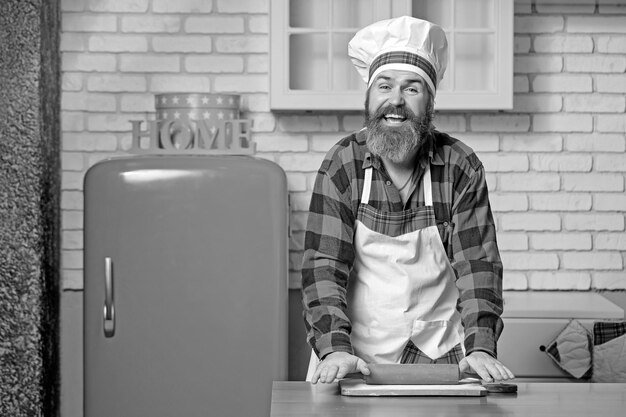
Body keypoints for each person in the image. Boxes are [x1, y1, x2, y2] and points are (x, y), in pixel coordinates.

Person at [301, 16, 514, 385]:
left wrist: (481, 345)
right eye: (384, 86)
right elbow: (324, 264)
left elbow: (477, 263)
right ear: (369, 98)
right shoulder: (343, 163)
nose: (395, 101)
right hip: (351, 357)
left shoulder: (459, 165)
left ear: (430, 102)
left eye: (412, 89)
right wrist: (334, 347)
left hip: (438, 356)